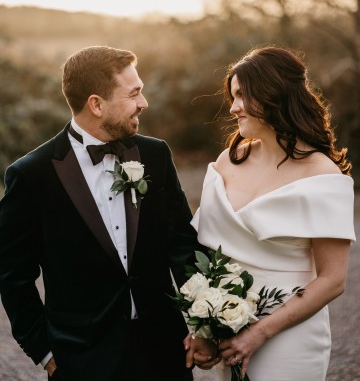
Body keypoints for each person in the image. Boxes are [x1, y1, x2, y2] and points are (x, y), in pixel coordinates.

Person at [0, 46, 214, 381]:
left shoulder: (155, 154)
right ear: (96, 104)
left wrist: (207, 325)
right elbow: (12, 275)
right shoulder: (31, 175)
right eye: (134, 94)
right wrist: (45, 352)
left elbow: (182, 246)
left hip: (163, 352)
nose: (143, 103)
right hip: (81, 359)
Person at [190, 45, 356, 381]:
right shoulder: (227, 161)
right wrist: (203, 327)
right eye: (232, 97)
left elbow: (332, 280)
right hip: (219, 332)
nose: (233, 107)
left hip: (287, 335)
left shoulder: (322, 175)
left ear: (272, 95)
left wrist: (259, 332)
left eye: (241, 96)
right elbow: (203, 251)